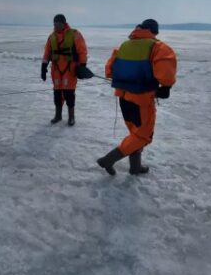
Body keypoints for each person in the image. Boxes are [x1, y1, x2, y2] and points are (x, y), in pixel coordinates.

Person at [97, 19, 177, 175]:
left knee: (135, 134)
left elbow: (109, 70)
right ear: (153, 31)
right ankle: (108, 160)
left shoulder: (124, 45)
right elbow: (165, 69)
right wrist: (166, 87)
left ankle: (135, 167)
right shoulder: (157, 47)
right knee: (142, 136)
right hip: (142, 100)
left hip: (123, 98)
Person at [41, 14, 88, 126]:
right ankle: (58, 115)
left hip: (70, 69)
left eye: (58, 23)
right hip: (56, 69)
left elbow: (82, 51)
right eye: (54, 23)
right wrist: (43, 67)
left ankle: (71, 117)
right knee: (57, 93)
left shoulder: (75, 34)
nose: (56, 26)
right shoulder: (51, 37)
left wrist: (82, 66)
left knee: (69, 93)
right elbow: (47, 53)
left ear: (64, 23)